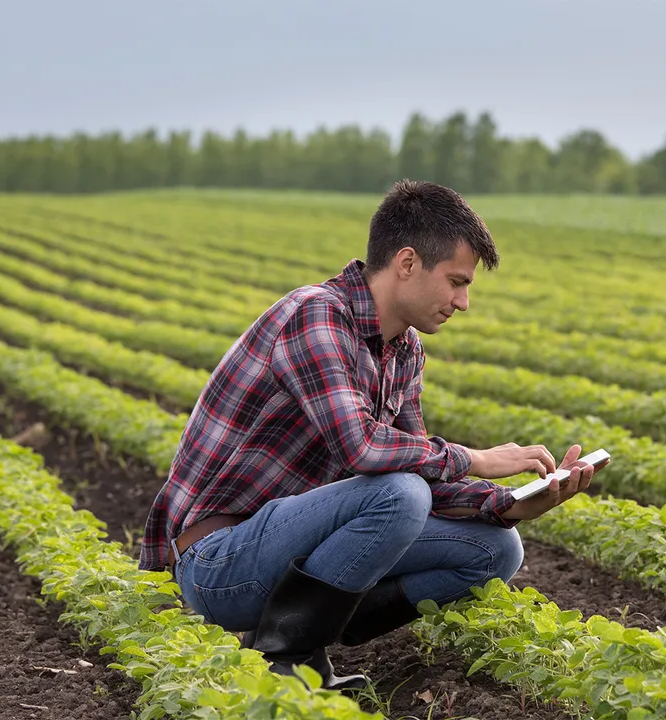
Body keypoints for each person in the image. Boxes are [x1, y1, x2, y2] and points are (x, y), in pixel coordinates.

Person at [138, 179, 602, 693]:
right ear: (407, 263)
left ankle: (315, 626)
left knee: (497, 550)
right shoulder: (315, 315)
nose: (463, 301)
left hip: (292, 549)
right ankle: (288, 659)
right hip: (222, 562)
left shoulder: (403, 351)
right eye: (455, 281)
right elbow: (363, 448)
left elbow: (418, 463)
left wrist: (512, 504)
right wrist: (475, 458)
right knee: (399, 495)